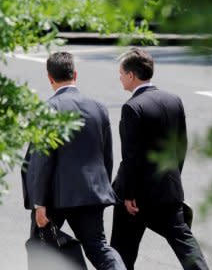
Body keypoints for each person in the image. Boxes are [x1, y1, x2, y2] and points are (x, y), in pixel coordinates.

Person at [110, 48, 210, 270]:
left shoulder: (132, 107)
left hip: (136, 198)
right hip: (168, 190)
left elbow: (131, 156)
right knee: (184, 242)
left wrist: (129, 194)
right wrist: (172, 178)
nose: (119, 78)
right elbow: (181, 146)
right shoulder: (173, 100)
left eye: (120, 73)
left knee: (121, 251)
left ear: (131, 76)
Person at [25, 52, 126, 270]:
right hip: (91, 193)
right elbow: (106, 154)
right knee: (98, 247)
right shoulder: (98, 107)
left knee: (40, 247)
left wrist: (40, 203)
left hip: (54, 197)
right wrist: (102, 189)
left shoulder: (48, 109)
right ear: (75, 74)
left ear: (50, 78)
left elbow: (42, 161)